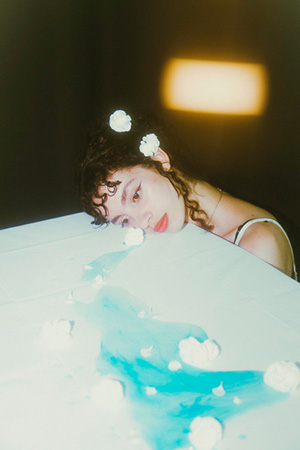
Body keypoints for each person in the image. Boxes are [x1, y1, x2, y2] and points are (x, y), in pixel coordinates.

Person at [76, 109, 297, 280]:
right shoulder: (176, 220)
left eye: (135, 195)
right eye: (124, 220)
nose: (142, 223)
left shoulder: (260, 245)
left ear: (160, 159)